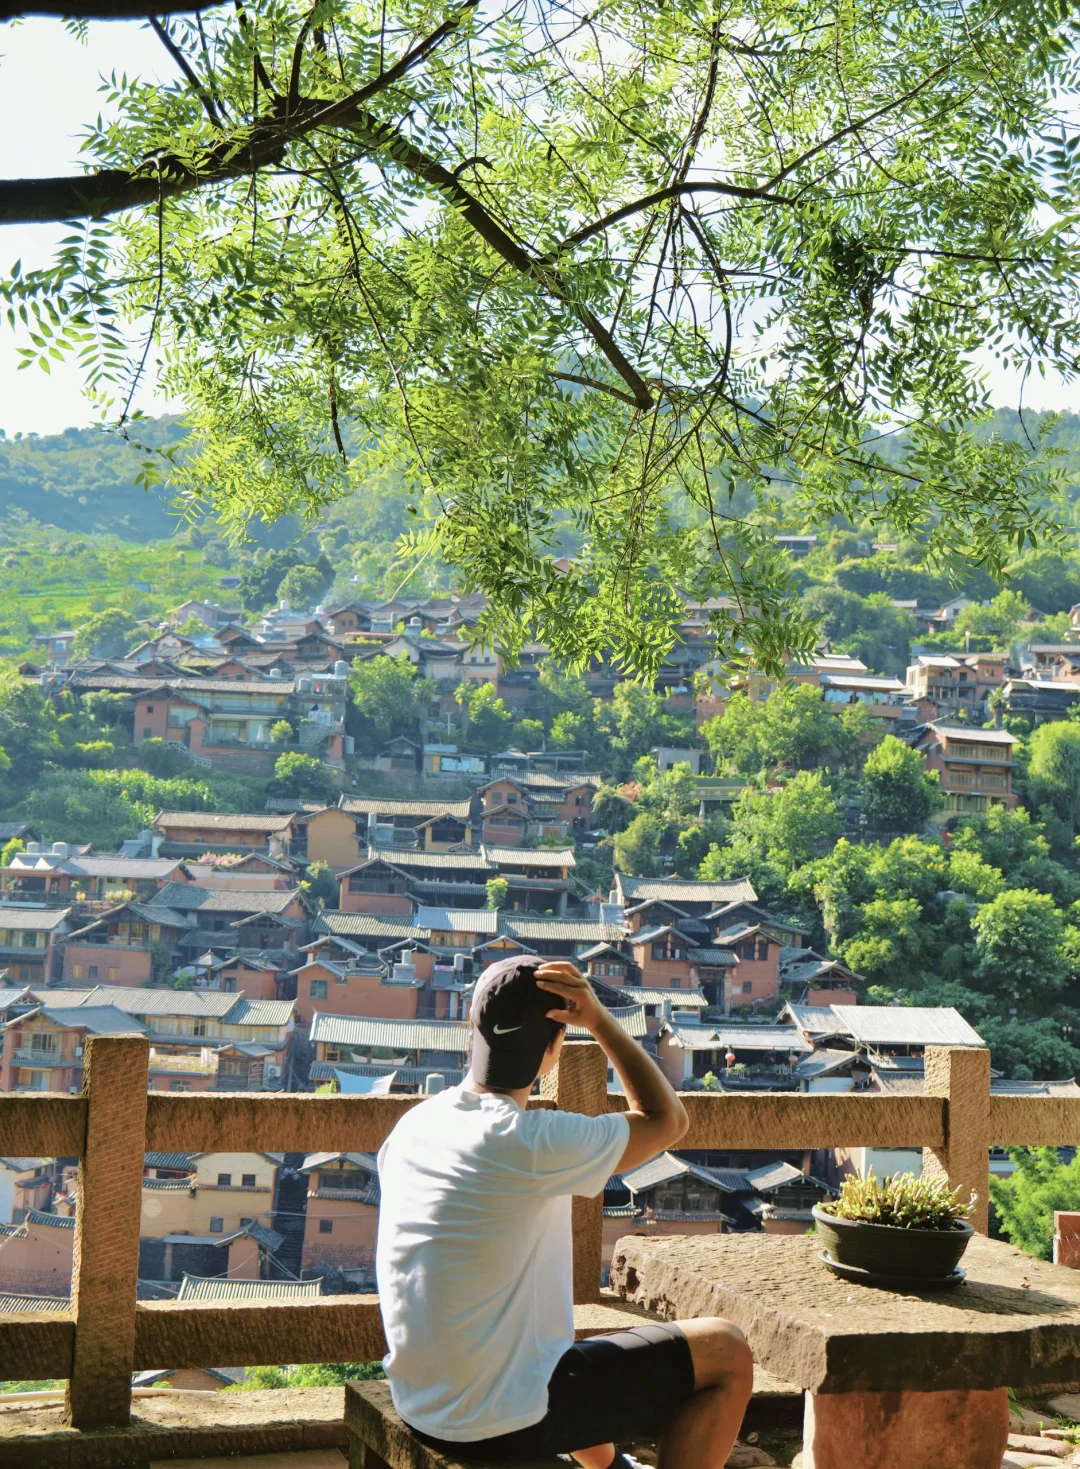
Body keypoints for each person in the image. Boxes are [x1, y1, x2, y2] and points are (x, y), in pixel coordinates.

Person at [376, 955, 753, 1468]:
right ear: (554, 1046)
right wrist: (599, 1021)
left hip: (424, 1402)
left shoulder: (416, 1126)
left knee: (550, 1350)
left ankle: (613, 1466)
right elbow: (667, 1120)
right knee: (727, 1351)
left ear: (473, 1027)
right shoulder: (528, 1141)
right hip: (501, 1424)